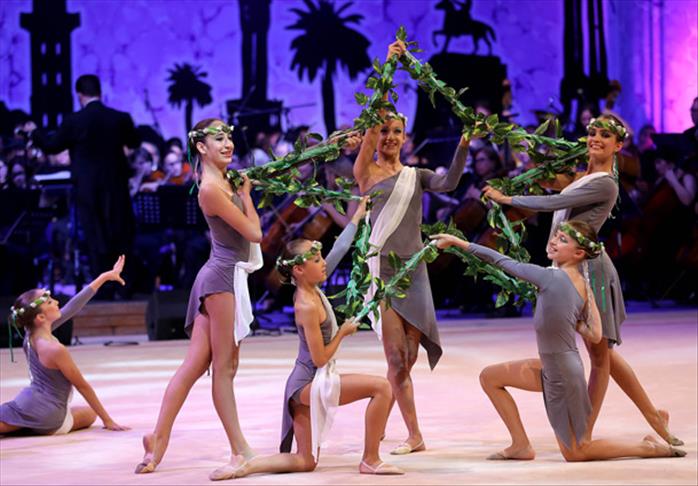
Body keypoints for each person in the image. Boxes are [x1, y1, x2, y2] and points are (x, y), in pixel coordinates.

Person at [482, 114, 683, 446]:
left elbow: (556, 202)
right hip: (571, 268)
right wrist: (526, 152)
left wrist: (508, 200)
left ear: (618, 145)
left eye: (605, 135)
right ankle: (653, 417)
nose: (596, 138)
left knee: (600, 357)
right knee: (604, 354)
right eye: (592, 132)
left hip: (593, 271)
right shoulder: (583, 176)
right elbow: (552, 182)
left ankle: (586, 431)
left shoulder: (605, 183)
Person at [430, 222, 686, 461]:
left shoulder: (550, 278)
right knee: (490, 377)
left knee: (577, 451)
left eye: (563, 240)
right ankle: (520, 445)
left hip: (562, 374)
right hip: (554, 366)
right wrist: (575, 322)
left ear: (578, 254)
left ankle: (648, 448)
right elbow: (596, 334)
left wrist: (457, 242)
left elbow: (501, 261)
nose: (553, 241)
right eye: (556, 236)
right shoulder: (583, 284)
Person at [214, 198, 403, 480]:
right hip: (308, 383)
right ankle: (371, 459)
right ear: (299, 270)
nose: (324, 263)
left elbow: (339, 249)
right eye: (316, 260)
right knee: (382, 387)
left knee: (305, 461)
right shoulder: (306, 305)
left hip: (306, 382)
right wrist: (343, 332)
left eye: (321, 258)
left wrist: (357, 217)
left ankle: (249, 465)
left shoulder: (310, 287)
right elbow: (320, 358)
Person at [352, 39, 474, 455]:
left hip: (415, 272)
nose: (389, 136)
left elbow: (450, 183)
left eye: (396, 132)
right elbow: (374, 117)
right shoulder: (366, 172)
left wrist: (462, 146)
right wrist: (390, 68)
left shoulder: (416, 176)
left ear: (406, 137)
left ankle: (395, 425)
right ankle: (413, 434)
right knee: (395, 359)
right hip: (385, 273)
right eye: (383, 131)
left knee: (409, 358)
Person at [135, 119, 263, 476]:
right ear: (201, 147)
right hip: (221, 279)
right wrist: (247, 197)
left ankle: (157, 439)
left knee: (194, 365)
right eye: (219, 139)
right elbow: (254, 233)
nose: (228, 144)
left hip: (219, 276)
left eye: (229, 138)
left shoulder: (223, 180)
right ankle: (239, 451)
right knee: (224, 369)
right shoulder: (210, 188)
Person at [28, 74, 140, 298]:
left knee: (95, 237)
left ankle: (103, 290)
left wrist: (34, 133)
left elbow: (51, 146)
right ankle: (125, 287)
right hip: (117, 188)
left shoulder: (74, 121)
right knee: (120, 235)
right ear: (100, 92)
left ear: (79, 95)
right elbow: (134, 142)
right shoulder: (120, 118)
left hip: (88, 190)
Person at [0, 256, 129, 435]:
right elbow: (82, 386)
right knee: (90, 414)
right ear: (40, 317)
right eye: (50, 302)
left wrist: (104, 277)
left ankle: (21, 426)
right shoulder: (54, 349)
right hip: (50, 415)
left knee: (9, 421)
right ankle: (28, 426)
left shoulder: (30, 335)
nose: (57, 302)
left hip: (27, 403)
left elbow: (71, 308)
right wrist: (108, 420)